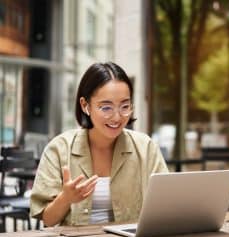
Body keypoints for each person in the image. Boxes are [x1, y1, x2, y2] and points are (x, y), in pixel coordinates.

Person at [30, 62, 168, 226]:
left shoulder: (145, 147)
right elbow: (48, 219)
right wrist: (66, 198)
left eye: (125, 106)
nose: (117, 117)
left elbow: (167, 204)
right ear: (85, 106)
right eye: (106, 108)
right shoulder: (59, 149)